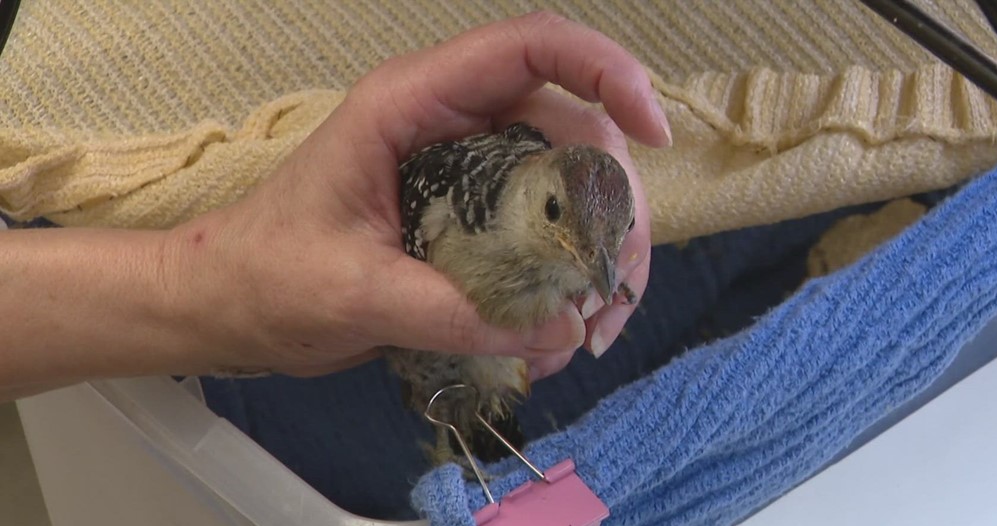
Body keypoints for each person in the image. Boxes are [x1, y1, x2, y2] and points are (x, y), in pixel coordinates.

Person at [0, 12, 672, 404]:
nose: (595, 265)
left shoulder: (572, 235)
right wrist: (212, 289)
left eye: (601, 248)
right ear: (537, 191)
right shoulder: (460, 222)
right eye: (556, 215)